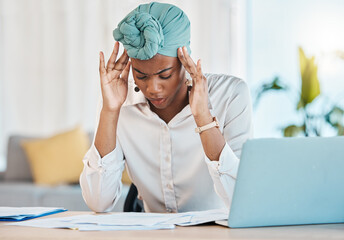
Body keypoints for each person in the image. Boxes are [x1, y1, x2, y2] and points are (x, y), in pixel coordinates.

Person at [80, 2, 253, 213]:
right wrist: (109, 111)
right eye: (141, 76)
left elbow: (241, 199)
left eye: (165, 75)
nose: (152, 88)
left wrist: (203, 118)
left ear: (185, 59)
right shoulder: (118, 102)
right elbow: (98, 202)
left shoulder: (231, 95)